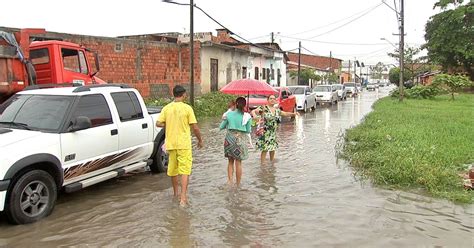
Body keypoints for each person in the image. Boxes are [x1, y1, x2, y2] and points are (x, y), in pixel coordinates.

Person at [156, 85, 203, 206]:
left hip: (171, 144)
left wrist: (168, 123)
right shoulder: (187, 108)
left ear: (173, 94)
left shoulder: (167, 108)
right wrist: (200, 140)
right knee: (185, 170)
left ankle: (175, 194)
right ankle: (183, 198)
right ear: (183, 95)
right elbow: (195, 127)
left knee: (173, 170)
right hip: (184, 144)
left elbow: (158, 123)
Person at [251, 95, 298, 164]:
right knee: (265, 149)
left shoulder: (277, 110)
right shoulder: (264, 108)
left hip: (273, 132)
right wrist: (255, 116)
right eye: (271, 99)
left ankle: (271, 165)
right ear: (268, 100)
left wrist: (294, 114)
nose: (272, 100)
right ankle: (262, 165)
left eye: (274, 99)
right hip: (265, 132)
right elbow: (253, 111)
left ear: (275, 101)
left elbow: (285, 113)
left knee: (272, 148)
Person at [219, 97, 252, 186]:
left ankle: (230, 182)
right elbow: (248, 130)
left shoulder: (228, 114)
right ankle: (238, 184)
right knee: (239, 162)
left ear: (236, 104)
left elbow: (221, 127)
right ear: (244, 105)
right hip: (240, 140)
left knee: (230, 161)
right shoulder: (247, 116)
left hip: (229, 139)